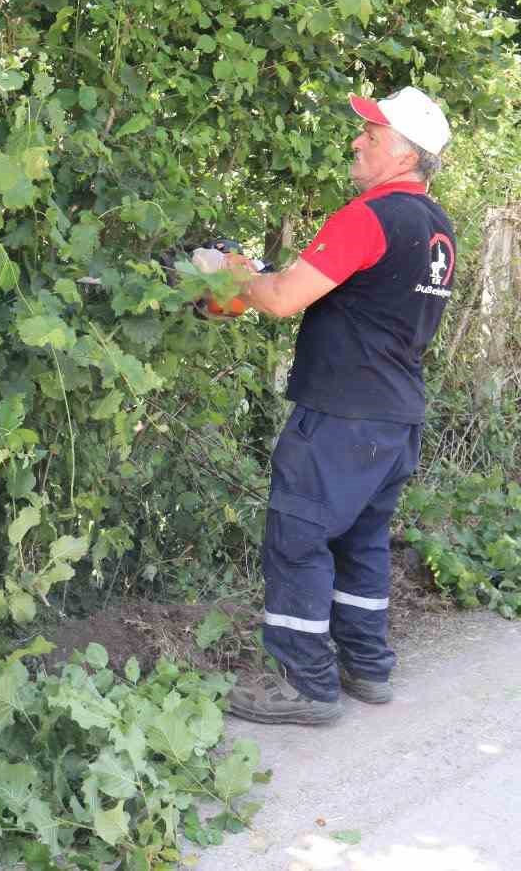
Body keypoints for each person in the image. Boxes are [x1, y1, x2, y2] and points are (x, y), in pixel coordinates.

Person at [193, 87, 456, 725]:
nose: (357, 141)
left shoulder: (370, 216)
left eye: (372, 132)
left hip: (342, 416)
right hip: (394, 417)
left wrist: (225, 273)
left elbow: (284, 297)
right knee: (362, 541)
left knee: (298, 538)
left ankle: (304, 685)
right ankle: (366, 666)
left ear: (407, 153)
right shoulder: (437, 227)